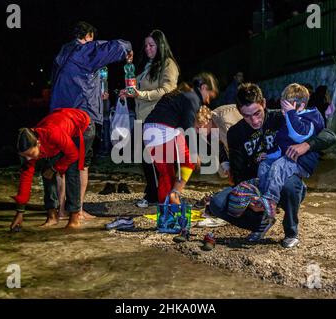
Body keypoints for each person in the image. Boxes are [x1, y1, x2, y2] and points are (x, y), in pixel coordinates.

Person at [211, 83, 336, 248]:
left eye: (257, 113)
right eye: (247, 116)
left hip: (283, 183)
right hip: (256, 186)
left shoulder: (283, 116)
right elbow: (238, 172)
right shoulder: (235, 133)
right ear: (239, 111)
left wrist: (307, 145)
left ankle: (290, 230)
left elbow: (329, 136)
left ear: (263, 103)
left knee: (291, 184)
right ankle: (261, 222)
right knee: (217, 203)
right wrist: (249, 199)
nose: (254, 120)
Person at [49, 21, 133, 219]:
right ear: (88, 36)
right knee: (81, 164)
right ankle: (76, 211)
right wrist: (128, 51)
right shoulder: (85, 51)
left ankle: (60, 210)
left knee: (61, 163)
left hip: (58, 116)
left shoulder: (63, 53)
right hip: (80, 116)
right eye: (93, 39)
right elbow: (120, 45)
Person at [119, 29, 180, 208]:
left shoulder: (168, 64)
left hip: (157, 118)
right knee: (147, 159)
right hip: (143, 117)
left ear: (160, 46)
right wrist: (129, 91)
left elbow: (168, 90)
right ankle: (153, 192)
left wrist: (142, 94)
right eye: (145, 45)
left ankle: (156, 194)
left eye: (151, 45)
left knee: (156, 160)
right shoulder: (148, 65)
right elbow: (135, 88)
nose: (147, 49)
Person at [10, 108, 92, 231]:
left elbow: (73, 154)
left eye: (31, 154)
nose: (28, 159)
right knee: (46, 171)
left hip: (82, 125)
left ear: (38, 143)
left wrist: (55, 168)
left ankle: (74, 218)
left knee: (71, 170)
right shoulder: (28, 146)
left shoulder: (52, 134)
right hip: (62, 128)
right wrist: (20, 212)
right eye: (24, 156)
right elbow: (26, 179)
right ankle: (52, 215)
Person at [142, 73, 219, 205]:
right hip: (161, 130)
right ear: (204, 87)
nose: (208, 100)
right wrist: (195, 153)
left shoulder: (182, 95)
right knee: (188, 161)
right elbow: (188, 128)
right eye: (209, 96)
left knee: (167, 172)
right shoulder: (192, 98)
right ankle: (173, 196)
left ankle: (166, 202)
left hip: (149, 131)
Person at [257, 83, 325, 219]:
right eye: (282, 109)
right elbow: (282, 146)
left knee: (278, 165)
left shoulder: (311, 118)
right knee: (265, 164)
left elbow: (298, 135)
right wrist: (268, 155)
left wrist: (290, 113)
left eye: (285, 109)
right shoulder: (289, 119)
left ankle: (271, 200)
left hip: (301, 163)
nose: (282, 112)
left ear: (300, 106)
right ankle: (263, 197)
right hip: (287, 158)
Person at [195, 104, 242, 179]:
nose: (198, 132)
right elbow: (218, 150)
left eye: (198, 128)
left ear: (207, 121)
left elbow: (239, 149)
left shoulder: (225, 121)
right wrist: (227, 168)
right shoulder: (206, 130)